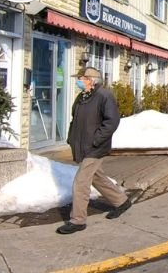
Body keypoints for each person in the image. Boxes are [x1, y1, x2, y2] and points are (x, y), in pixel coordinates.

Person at [56, 67, 131, 235]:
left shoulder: (104, 96)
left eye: (81, 78)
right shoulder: (82, 97)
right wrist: (71, 138)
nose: (78, 81)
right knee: (97, 177)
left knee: (81, 182)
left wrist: (96, 140)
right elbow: (75, 119)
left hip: (96, 147)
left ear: (90, 80)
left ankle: (77, 220)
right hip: (83, 146)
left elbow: (112, 122)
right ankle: (121, 201)